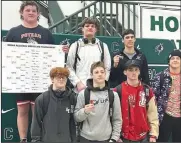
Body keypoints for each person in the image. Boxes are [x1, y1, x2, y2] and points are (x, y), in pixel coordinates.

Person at [4, 1, 68, 142]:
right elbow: (6, 55)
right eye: (28, 10)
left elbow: (53, 55)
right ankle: (23, 139)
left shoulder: (45, 32)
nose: (31, 12)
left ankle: (37, 138)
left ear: (38, 14)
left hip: (40, 79)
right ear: (22, 12)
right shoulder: (13, 32)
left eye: (34, 10)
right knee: (22, 110)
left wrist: (61, 51)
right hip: (20, 79)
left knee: (37, 111)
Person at [74, 61, 122, 142]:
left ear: (105, 74)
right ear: (92, 75)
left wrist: (114, 139)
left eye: (102, 72)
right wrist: (85, 111)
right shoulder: (83, 94)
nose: (99, 74)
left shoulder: (113, 95)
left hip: (106, 139)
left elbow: (117, 119)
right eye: (96, 72)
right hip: (85, 138)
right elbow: (76, 117)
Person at [113, 59, 159, 142]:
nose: (133, 72)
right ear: (125, 72)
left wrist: (153, 134)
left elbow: (153, 114)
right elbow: (112, 115)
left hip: (143, 137)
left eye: (136, 70)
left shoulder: (147, 91)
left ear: (139, 72)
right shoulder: (117, 90)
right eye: (130, 70)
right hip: (123, 137)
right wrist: (116, 136)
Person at [31, 67, 76, 142]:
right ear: (52, 79)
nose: (61, 79)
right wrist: (36, 141)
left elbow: (74, 123)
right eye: (58, 77)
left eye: (63, 77)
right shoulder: (42, 99)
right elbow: (36, 122)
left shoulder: (73, 98)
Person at [66, 17, 111, 93]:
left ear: (96, 30)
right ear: (82, 29)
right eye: (87, 26)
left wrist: (103, 83)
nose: (90, 27)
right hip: (80, 91)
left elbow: (107, 67)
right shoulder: (75, 46)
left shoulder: (103, 46)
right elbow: (69, 67)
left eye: (92, 26)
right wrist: (78, 83)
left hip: (99, 89)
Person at [151, 49, 181, 142]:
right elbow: (153, 98)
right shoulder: (160, 76)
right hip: (164, 116)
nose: (175, 60)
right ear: (169, 61)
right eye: (172, 58)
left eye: (178, 58)